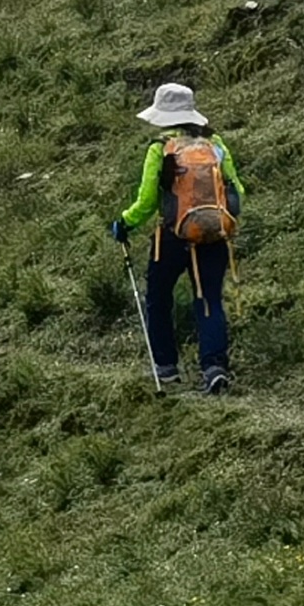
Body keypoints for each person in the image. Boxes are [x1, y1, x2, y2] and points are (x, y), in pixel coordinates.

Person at [112, 80, 243, 394]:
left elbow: (146, 202)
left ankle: (167, 368)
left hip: (172, 238)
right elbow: (238, 192)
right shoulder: (216, 145)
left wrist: (124, 223)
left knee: (158, 299)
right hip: (213, 237)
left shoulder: (160, 149)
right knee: (208, 301)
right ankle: (214, 368)